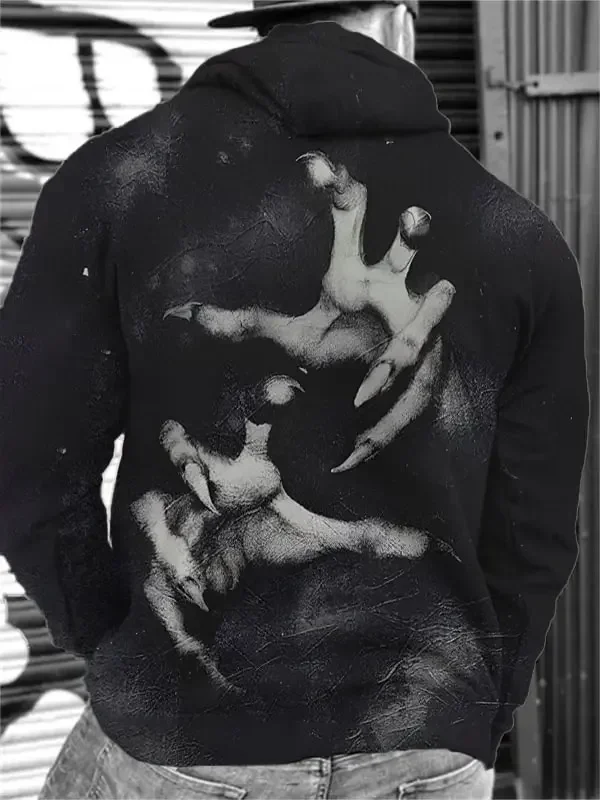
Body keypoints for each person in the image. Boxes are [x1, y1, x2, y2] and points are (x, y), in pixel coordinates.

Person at [0, 1, 589, 798]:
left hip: (187, 735)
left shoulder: (114, 182)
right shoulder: (519, 233)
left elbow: (26, 468)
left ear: (262, 25)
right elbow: (536, 532)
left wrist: (122, 650)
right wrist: (479, 706)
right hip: (426, 738)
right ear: (403, 22)